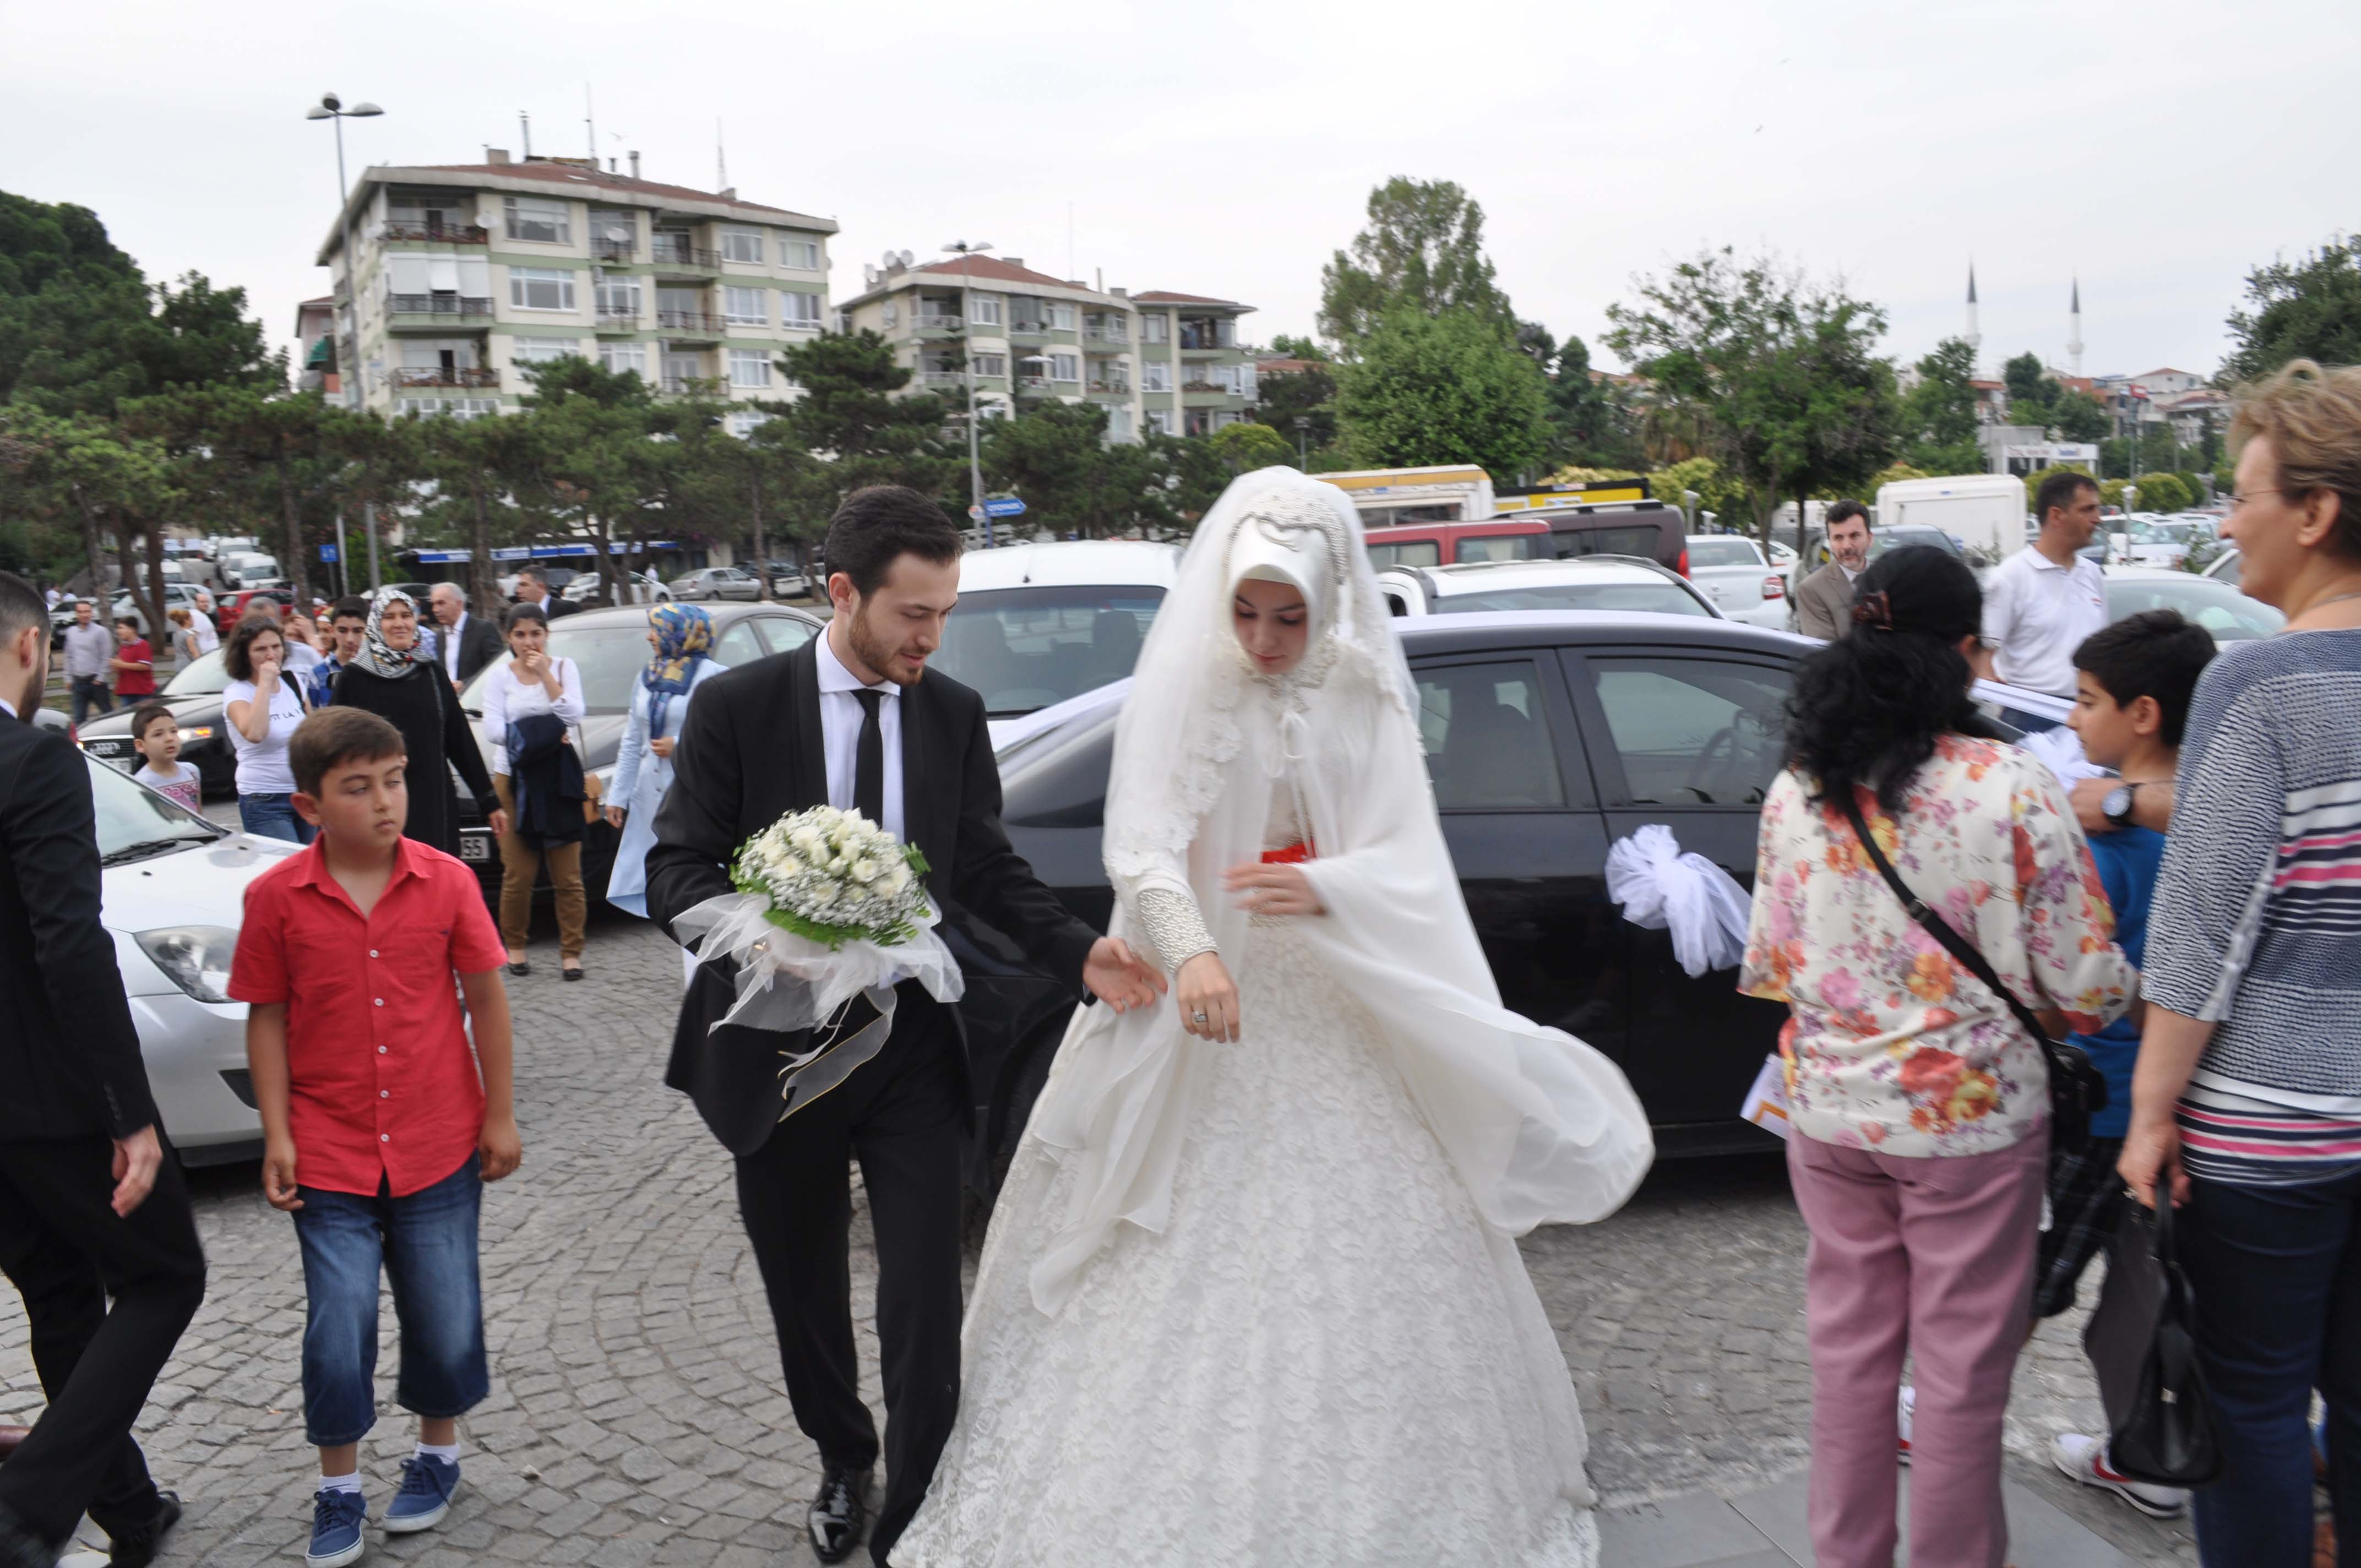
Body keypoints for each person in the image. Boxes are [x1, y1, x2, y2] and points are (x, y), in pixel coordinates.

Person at [894, 470, 1655, 1568]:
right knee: (1158, 1236)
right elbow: (1142, 839)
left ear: (1329, 598)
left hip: (1333, 998)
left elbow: (1406, 847)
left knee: (1379, 1241)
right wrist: (1191, 944)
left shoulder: (1360, 690)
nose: (1260, 637)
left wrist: (1335, 883)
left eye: (1287, 615)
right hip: (1206, 1003)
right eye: (1245, 611)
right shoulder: (1194, 686)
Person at [645, 485, 1166, 1567]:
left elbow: (982, 866)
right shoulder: (736, 707)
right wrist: (757, 932)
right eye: (911, 614)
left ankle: (921, 1496)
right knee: (803, 1286)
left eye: (943, 612)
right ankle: (844, 1455)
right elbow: (674, 869)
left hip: (914, 1048)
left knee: (925, 1283)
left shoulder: (952, 711)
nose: (930, 636)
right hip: (777, 1051)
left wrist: (1079, 948)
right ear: (843, 593)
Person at [1739, 545, 2134, 1568]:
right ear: (1965, 652)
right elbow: (2083, 984)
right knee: (1960, 1374)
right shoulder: (2008, 781)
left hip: (1827, 1112)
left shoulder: (1798, 789)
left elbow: (1774, 961)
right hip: (1968, 1122)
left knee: (1849, 1361)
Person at [2118, 360, 2361, 1568]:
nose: (2225, 523)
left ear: (2312, 513)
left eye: (2241, 493)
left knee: (2254, 1402)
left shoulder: (2256, 681)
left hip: (2268, 1127)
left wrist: (2149, 1116)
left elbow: (2203, 925)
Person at [229, 706, 520, 1568]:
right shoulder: (275, 896)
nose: (385, 802)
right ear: (310, 807)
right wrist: (276, 1133)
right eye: (358, 789)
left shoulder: (445, 882)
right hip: (329, 1150)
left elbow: (488, 999)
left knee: (445, 1310)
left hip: (439, 1140)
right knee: (340, 1318)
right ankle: (340, 1486)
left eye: (393, 781)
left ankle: (438, 1455)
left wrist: (499, 1113)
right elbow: (268, 1019)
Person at [0, 570, 207, 1568]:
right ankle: (29, 1508)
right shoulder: (33, 758)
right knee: (168, 1275)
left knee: (61, 1296)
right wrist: (130, 1113)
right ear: (32, 646)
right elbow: (68, 942)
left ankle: (130, 1511)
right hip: (53, 1100)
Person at [2021, 611, 2216, 1518]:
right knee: (2139, 1286)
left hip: (2103, 1102)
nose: (2069, 717)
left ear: (2141, 713)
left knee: (2027, 1274)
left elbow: (2074, 981)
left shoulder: (2105, 845)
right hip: (2188, 1106)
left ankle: (1939, 1404)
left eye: (2085, 699)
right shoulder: (2220, 823)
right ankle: (2140, 1443)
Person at [330, 588, 506, 857]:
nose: (399, 623)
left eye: (406, 615)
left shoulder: (431, 673)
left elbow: (460, 741)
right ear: (377, 624)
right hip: (378, 808)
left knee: (437, 883)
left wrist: (489, 801)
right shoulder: (354, 679)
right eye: (389, 617)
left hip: (433, 803)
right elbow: (333, 749)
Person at [481, 603, 588, 979]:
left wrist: (545, 675)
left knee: (568, 875)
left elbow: (574, 713)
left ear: (546, 635)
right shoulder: (500, 677)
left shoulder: (562, 667)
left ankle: (571, 953)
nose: (529, 642)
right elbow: (493, 727)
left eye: (536, 633)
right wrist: (545, 731)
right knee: (519, 873)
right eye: (521, 634)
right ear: (509, 638)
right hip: (513, 780)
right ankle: (515, 947)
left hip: (558, 781)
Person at [606, 604, 724, 921]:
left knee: (693, 880)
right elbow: (633, 738)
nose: (650, 637)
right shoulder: (648, 676)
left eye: (657, 630)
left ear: (682, 633)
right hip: (650, 793)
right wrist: (618, 795)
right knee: (656, 878)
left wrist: (681, 745)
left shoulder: (714, 677)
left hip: (692, 792)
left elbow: (727, 738)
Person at [1974, 470, 2109, 730]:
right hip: (2030, 716)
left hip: (2085, 715)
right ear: (2057, 515)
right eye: (2088, 510)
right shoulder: (2012, 576)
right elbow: (1982, 658)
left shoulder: (2092, 575)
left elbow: (2102, 652)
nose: (2098, 519)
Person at [224, 616, 317, 844]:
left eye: (276, 647)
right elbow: (255, 733)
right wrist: (264, 684)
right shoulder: (237, 693)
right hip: (264, 799)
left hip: (302, 793)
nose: (271, 655)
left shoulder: (292, 681)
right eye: (260, 649)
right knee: (286, 870)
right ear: (244, 655)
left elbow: (313, 731)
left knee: (309, 867)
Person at [1794, 500, 1873, 640]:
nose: (1847, 546)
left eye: (1854, 536)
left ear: (1870, 538)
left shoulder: (1890, 579)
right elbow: (1827, 654)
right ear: (1830, 542)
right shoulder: (1811, 589)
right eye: (1838, 538)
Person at [128, 701, 204, 814]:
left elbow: (199, 814)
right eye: (158, 734)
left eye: (174, 731)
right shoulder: (143, 783)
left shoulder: (192, 771)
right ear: (140, 745)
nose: (169, 738)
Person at [427, 583, 503, 688]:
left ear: (459, 604)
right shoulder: (440, 636)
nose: (435, 609)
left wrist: (465, 684)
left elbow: (498, 668)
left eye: (441, 603)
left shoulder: (483, 630)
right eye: (433, 604)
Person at [309, 597, 368, 711]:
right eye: (342, 630)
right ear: (332, 631)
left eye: (358, 631)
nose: (350, 639)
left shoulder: (380, 671)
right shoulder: (318, 675)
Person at [62, 598, 115, 725]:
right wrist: (68, 678)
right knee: (79, 719)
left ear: (92, 613)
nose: (84, 615)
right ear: (76, 614)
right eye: (81, 612)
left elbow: (106, 655)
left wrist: (100, 678)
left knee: (108, 715)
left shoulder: (101, 631)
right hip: (78, 683)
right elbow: (69, 656)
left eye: (87, 612)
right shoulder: (71, 632)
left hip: (96, 682)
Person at [111, 616, 157, 702]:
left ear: (132, 629)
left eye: (121, 628)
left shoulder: (143, 645)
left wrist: (122, 665)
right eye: (118, 628)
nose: (118, 631)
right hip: (126, 691)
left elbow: (145, 666)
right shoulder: (124, 647)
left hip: (142, 692)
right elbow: (121, 667)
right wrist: (116, 666)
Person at [511, 567, 580, 620]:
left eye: (524, 585)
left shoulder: (568, 608)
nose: (518, 591)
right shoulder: (519, 614)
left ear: (541, 587)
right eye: (518, 586)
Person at [188, 590, 220, 654]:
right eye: (202, 602)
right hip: (205, 654)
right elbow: (192, 638)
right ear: (196, 603)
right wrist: (197, 656)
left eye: (207, 602)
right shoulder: (196, 616)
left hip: (211, 653)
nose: (206, 604)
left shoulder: (202, 614)